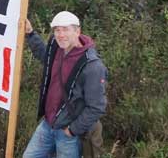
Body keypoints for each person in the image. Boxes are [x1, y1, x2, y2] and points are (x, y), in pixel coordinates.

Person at [22, 11, 107, 158]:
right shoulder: (57, 47)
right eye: (57, 30)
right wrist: (30, 33)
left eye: (66, 29)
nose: (61, 35)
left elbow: (97, 106)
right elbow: (45, 56)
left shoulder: (92, 65)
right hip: (48, 124)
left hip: (68, 133)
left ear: (77, 31)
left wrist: (72, 130)